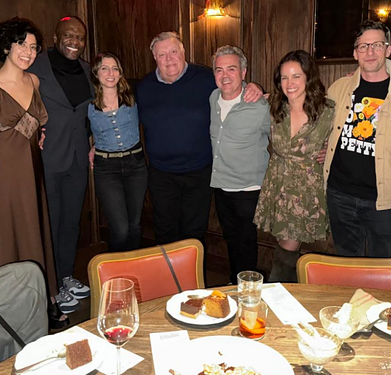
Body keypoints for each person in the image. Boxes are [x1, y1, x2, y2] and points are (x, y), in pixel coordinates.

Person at [0, 17, 68, 326]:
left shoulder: (35, 82)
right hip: (4, 174)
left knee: (37, 228)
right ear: (6, 46)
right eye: (21, 44)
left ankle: (46, 297)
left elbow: (35, 126)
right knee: (12, 232)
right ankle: (13, 308)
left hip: (33, 169)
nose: (28, 52)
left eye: (33, 46)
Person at [137, 32, 263, 245]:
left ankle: (192, 278)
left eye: (174, 51)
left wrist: (254, 87)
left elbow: (232, 87)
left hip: (199, 173)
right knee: (164, 232)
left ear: (183, 51)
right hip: (161, 174)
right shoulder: (143, 87)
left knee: (194, 233)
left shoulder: (206, 79)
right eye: (162, 54)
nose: (169, 59)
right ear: (154, 58)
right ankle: (168, 278)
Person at [28, 16, 92, 311]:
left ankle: (65, 276)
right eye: (69, 36)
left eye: (79, 38)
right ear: (55, 37)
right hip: (47, 156)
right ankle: (50, 287)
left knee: (70, 222)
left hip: (78, 158)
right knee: (50, 223)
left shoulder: (88, 71)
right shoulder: (35, 66)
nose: (74, 42)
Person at [254, 50, 335, 281]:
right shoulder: (271, 107)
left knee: (288, 246)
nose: (289, 83)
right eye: (284, 77)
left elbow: (344, 138)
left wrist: (329, 150)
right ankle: (290, 292)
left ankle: (273, 289)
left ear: (308, 77)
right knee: (283, 241)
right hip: (277, 184)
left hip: (306, 189)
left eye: (296, 76)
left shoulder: (328, 110)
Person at [323, 21, 391, 257]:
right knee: (345, 263)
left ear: (388, 49)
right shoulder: (339, 87)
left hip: (382, 200)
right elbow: (318, 120)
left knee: (383, 268)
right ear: (355, 53)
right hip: (339, 194)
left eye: (377, 45)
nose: (370, 52)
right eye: (363, 46)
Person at [208, 46, 270, 283]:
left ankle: (248, 290)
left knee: (245, 243)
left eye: (231, 69)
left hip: (248, 189)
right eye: (219, 70)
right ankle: (236, 284)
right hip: (221, 186)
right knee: (231, 239)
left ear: (244, 73)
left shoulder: (260, 106)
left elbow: (286, 131)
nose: (225, 75)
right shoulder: (213, 97)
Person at [87, 53, 148, 252]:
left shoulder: (134, 92)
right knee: (120, 228)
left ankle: (135, 269)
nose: (110, 73)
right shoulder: (87, 102)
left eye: (115, 68)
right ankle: (116, 274)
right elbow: (75, 128)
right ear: (96, 72)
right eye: (104, 68)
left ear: (121, 72)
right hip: (106, 169)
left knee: (135, 225)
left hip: (136, 165)